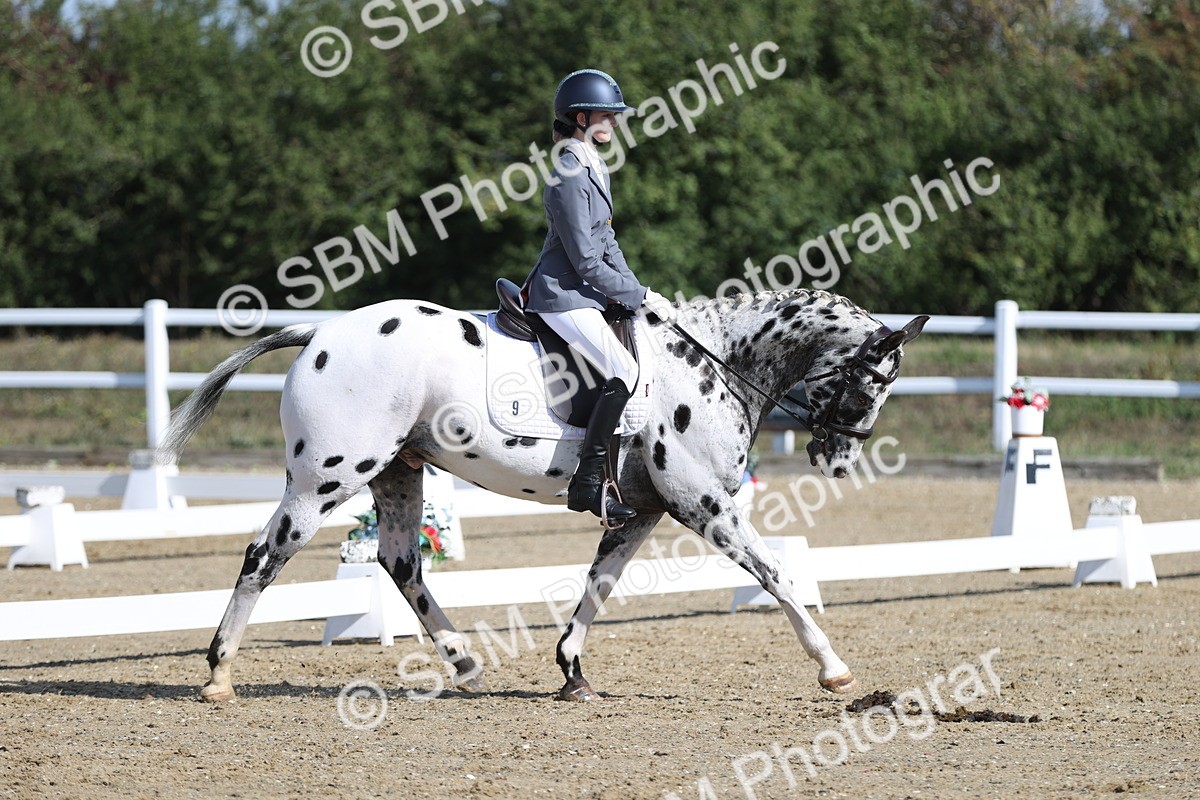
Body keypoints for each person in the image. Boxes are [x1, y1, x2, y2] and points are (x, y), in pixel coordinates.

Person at [523, 68, 676, 522]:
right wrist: (639, 293)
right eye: (608, 116)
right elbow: (586, 259)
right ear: (582, 116)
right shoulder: (569, 171)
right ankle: (587, 485)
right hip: (560, 293)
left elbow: (608, 243)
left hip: (583, 289)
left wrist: (636, 294)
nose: (614, 123)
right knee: (624, 370)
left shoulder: (592, 164)